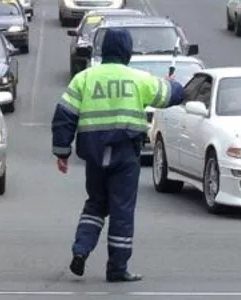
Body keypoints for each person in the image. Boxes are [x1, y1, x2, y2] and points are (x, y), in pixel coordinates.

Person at [51, 28, 185, 283]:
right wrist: (172, 83)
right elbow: (172, 95)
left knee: (95, 204)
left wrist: (62, 151)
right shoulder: (137, 79)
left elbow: (64, 116)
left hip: (94, 155)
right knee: (122, 211)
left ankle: (81, 250)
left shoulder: (85, 78)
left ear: (105, 50)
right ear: (127, 52)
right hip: (125, 155)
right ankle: (116, 268)